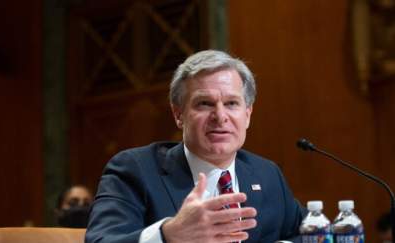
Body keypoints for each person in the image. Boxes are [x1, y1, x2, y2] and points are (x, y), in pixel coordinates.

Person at [85, 50, 305, 243]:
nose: (220, 116)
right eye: (205, 103)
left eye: (231, 103)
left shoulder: (267, 174)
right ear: (178, 114)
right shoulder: (135, 170)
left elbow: (311, 233)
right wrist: (168, 235)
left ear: (247, 115)